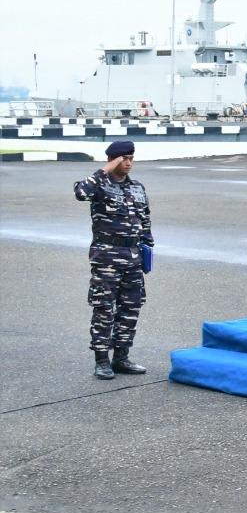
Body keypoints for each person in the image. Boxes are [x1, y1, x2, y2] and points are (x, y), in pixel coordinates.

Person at [73, 140, 154, 379]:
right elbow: (80, 193)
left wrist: (147, 248)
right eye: (123, 159)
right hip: (107, 258)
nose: (128, 163)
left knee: (130, 308)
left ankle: (121, 358)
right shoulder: (99, 185)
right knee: (104, 308)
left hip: (133, 258)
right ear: (112, 160)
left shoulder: (137, 188)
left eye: (131, 158)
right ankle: (101, 360)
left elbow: (145, 221)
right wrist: (105, 169)